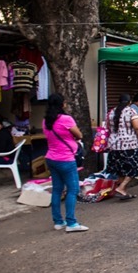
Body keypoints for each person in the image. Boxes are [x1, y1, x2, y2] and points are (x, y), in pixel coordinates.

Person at [43, 94, 88, 232]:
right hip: (66, 159)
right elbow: (79, 135)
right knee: (73, 189)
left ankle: (58, 222)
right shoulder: (66, 119)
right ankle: (71, 223)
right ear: (62, 104)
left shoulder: (46, 121)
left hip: (51, 158)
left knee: (57, 189)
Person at [106, 93, 138, 200]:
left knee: (121, 169)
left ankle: (123, 191)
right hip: (130, 145)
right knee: (135, 168)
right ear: (130, 102)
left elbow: (108, 127)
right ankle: (121, 187)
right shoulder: (131, 111)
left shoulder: (111, 112)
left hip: (114, 145)